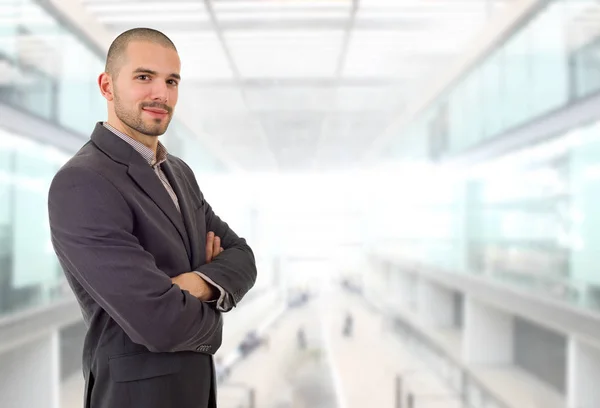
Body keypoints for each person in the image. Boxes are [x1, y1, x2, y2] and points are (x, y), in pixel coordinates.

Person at [48, 28, 257, 408]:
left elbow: (242, 257)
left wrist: (194, 285)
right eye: (144, 77)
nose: (161, 94)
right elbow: (159, 323)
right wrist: (214, 306)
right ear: (107, 86)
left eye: (171, 81)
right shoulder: (82, 183)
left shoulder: (178, 172)